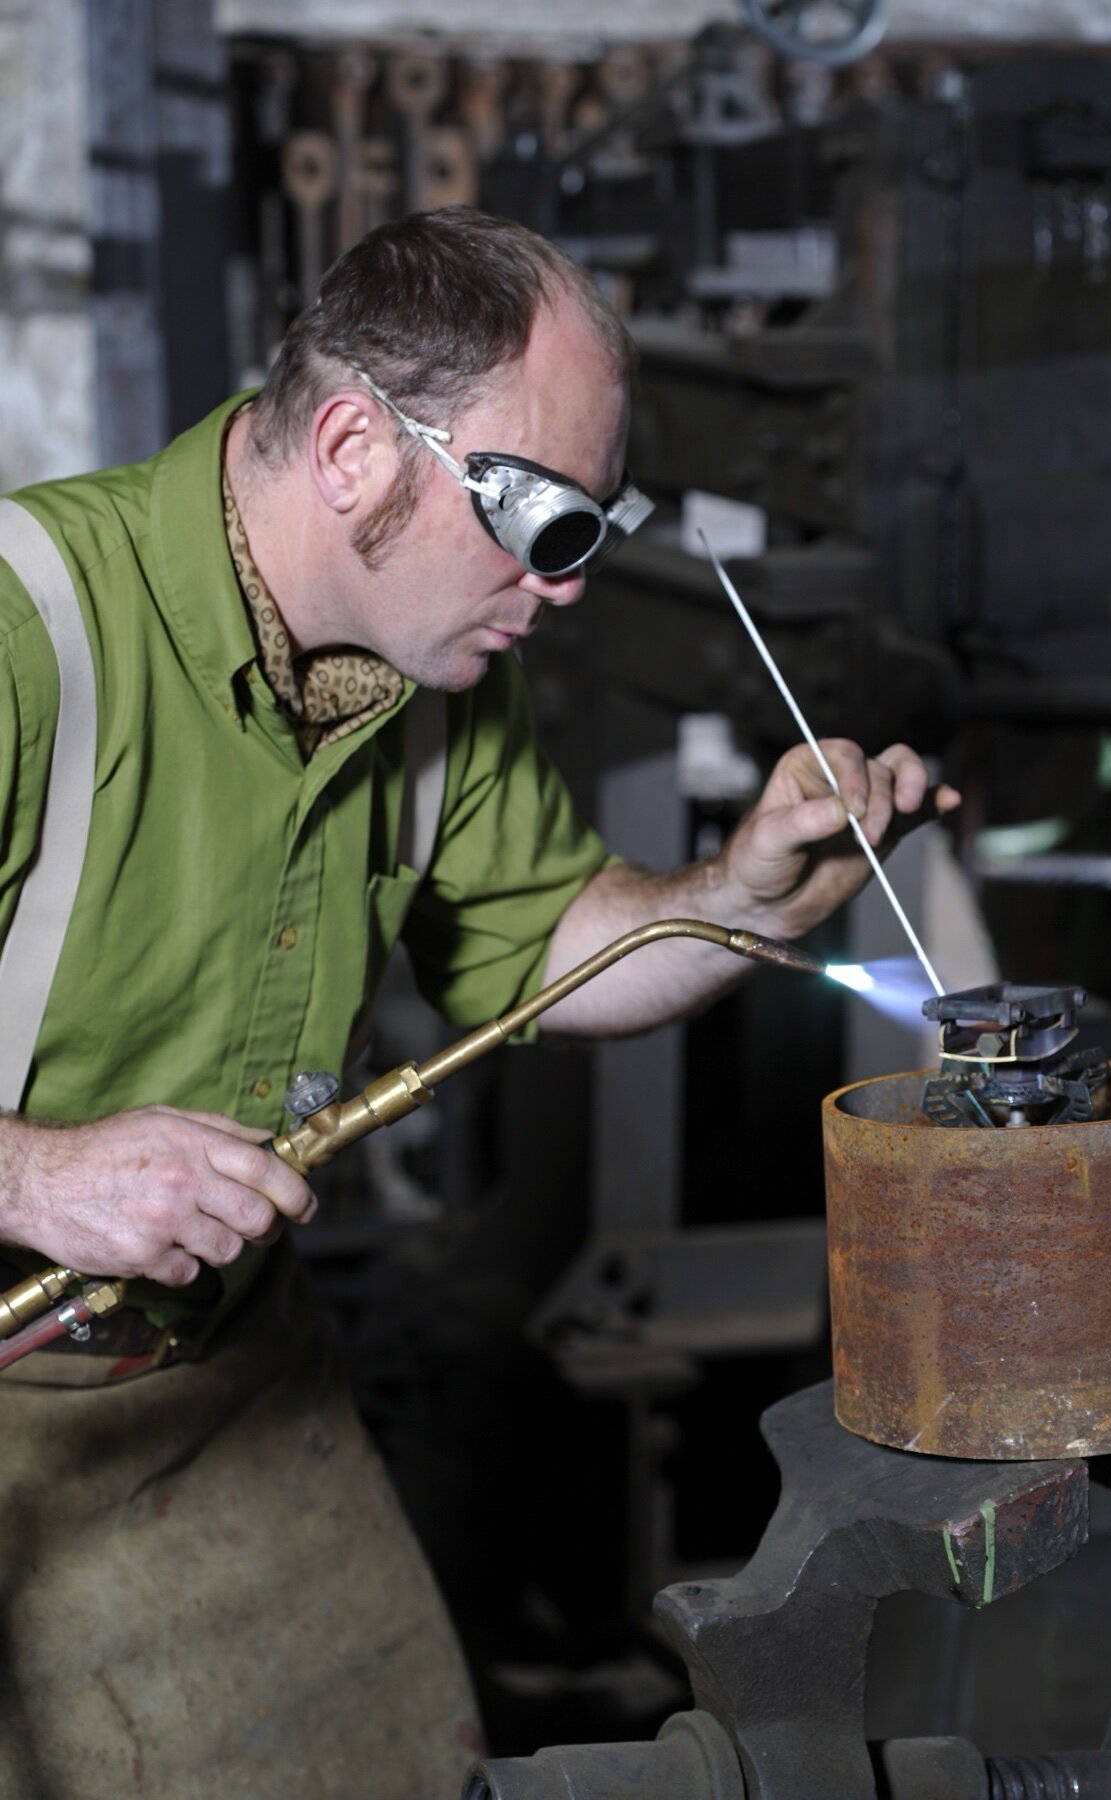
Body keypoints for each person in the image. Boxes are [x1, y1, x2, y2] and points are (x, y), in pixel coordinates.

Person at [0, 208, 957, 1797]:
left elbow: (554, 949)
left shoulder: (437, 684)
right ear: (357, 446)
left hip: (227, 1394)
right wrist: (41, 1175)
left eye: (593, 528)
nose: (561, 587)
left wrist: (737, 897)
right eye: (544, 525)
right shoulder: (29, 635)